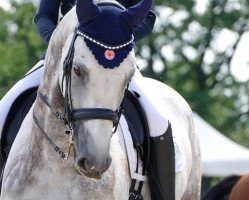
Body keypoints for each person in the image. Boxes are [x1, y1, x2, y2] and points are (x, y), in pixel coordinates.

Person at [0, 0, 175, 199]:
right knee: (2, 111)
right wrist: (62, 44)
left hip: (115, 61)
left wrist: (117, 39)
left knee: (159, 123)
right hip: (65, 57)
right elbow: (43, 16)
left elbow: (149, 16)